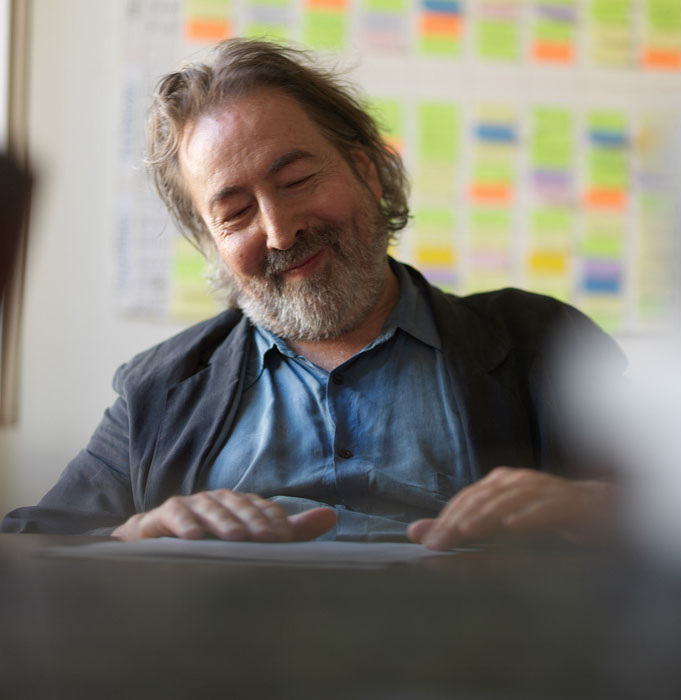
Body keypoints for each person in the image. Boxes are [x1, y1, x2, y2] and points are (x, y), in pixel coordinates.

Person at [1, 39, 624, 549]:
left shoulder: (541, 342)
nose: (279, 231)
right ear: (213, 242)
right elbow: (29, 546)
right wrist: (135, 534)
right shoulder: (158, 390)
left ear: (367, 171)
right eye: (235, 213)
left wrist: (590, 506)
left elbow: (664, 511)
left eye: (297, 179)